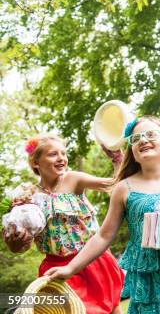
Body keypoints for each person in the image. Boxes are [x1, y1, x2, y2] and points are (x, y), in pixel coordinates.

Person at [45, 117, 160, 313]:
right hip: (150, 283)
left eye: (150, 135)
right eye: (135, 139)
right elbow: (103, 236)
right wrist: (70, 268)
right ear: (132, 152)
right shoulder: (124, 189)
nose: (143, 140)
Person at [3, 134, 124, 314]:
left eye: (63, 153)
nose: (61, 158)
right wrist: (15, 242)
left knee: (112, 308)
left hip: (92, 260)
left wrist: (117, 160)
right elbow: (18, 246)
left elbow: (115, 185)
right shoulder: (26, 196)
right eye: (53, 154)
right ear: (36, 162)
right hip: (57, 269)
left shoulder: (73, 179)